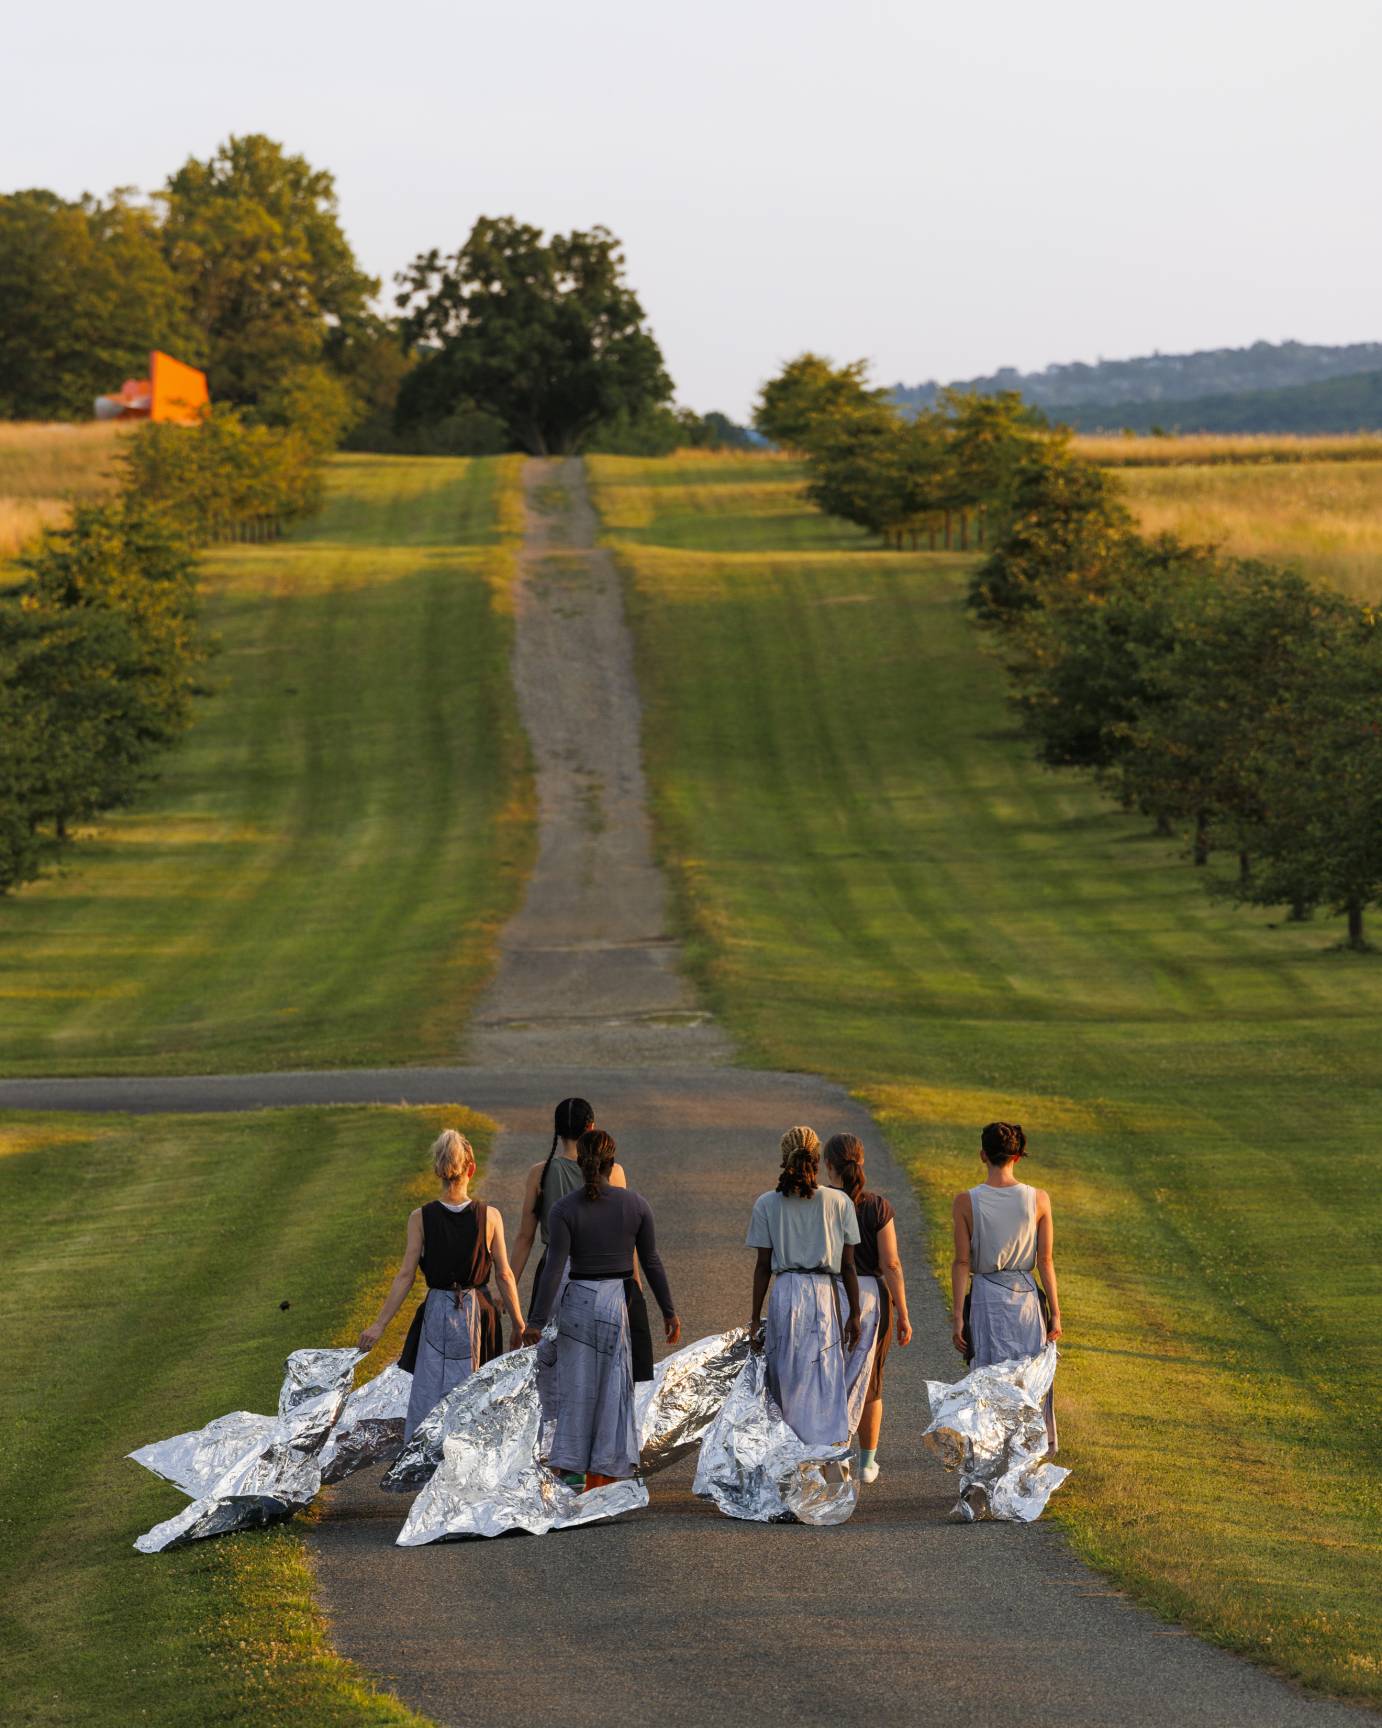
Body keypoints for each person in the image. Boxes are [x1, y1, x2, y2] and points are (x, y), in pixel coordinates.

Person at [524, 1130, 681, 1490]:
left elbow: (553, 1268)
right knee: (613, 1388)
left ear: (579, 1163)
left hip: (577, 1298)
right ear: (614, 1163)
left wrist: (535, 1321)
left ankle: (570, 1468)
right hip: (615, 1300)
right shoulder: (636, 1205)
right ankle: (603, 1472)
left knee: (576, 1388)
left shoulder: (564, 1209)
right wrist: (668, 1311)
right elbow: (652, 1262)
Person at [357, 1129, 525, 1442]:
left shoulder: (420, 1217)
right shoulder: (490, 1216)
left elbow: (406, 1274)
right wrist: (518, 1323)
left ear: (437, 1169)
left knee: (430, 1394)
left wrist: (379, 1325)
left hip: (436, 1312)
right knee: (477, 1397)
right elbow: (504, 1274)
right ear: (470, 1168)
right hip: (479, 1315)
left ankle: (428, 1460)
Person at [510, 1096, 657, 1383]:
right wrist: (635, 1282)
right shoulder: (614, 1172)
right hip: (605, 1272)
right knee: (605, 1364)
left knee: (556, 1366)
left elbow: (525, 1236)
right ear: (591, 1127)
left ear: (557, 1130)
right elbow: (627, 1237)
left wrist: (509, 1289)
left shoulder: (540, 1173)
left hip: (553, 1272)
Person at [747, 1126, 862, 1447]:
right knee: (824, 1374)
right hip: (824, 1294)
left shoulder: (767, 1204)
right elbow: (849, 1265)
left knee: (787, 1374)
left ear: (784, 1160)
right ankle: (823, 1457)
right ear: (818, 1158)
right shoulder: (838, 1202)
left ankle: (788, 1455)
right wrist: (854, 1313)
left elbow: (762, 1267)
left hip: (786, 1292)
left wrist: (755, 1318)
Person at [950, 1121, 1062, 1449]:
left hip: (986, 1295)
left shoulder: (966, 1201)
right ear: (1018, 1157)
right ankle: (1027, 1451)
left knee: (987, 1375)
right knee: (1027, 1377)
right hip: (1026, 1296)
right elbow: (1045, 1261)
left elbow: (961, 1262)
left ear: (983, 1155)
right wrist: (1055, 1311)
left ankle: (986, 1451)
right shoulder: (1038, 1199)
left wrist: (958, 1315)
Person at [822, 1133, 912, 1484]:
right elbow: (891, 1264)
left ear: (828, 1166)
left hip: (830, 1295)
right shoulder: (877, 1207)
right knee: (870, 1381)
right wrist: (903, 1312)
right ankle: (866, 1462)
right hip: (873, 1296)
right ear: (862, 1162)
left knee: (828, 1376)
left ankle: (831, 1453)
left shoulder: (821, 1202)